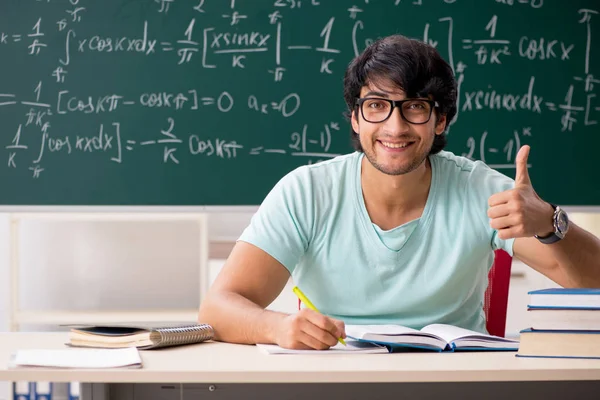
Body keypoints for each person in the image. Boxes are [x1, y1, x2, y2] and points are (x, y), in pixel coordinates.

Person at [198, 34, 600, 350]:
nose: (395, 127)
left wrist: (549, 221)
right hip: (333, 380)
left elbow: (593, 282)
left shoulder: (480, 188)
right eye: (377, 105)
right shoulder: (306, 192)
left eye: (415, 107)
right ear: (355, 118)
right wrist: (279, 327)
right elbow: (217, 308)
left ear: (440, 120)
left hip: (454, 384)